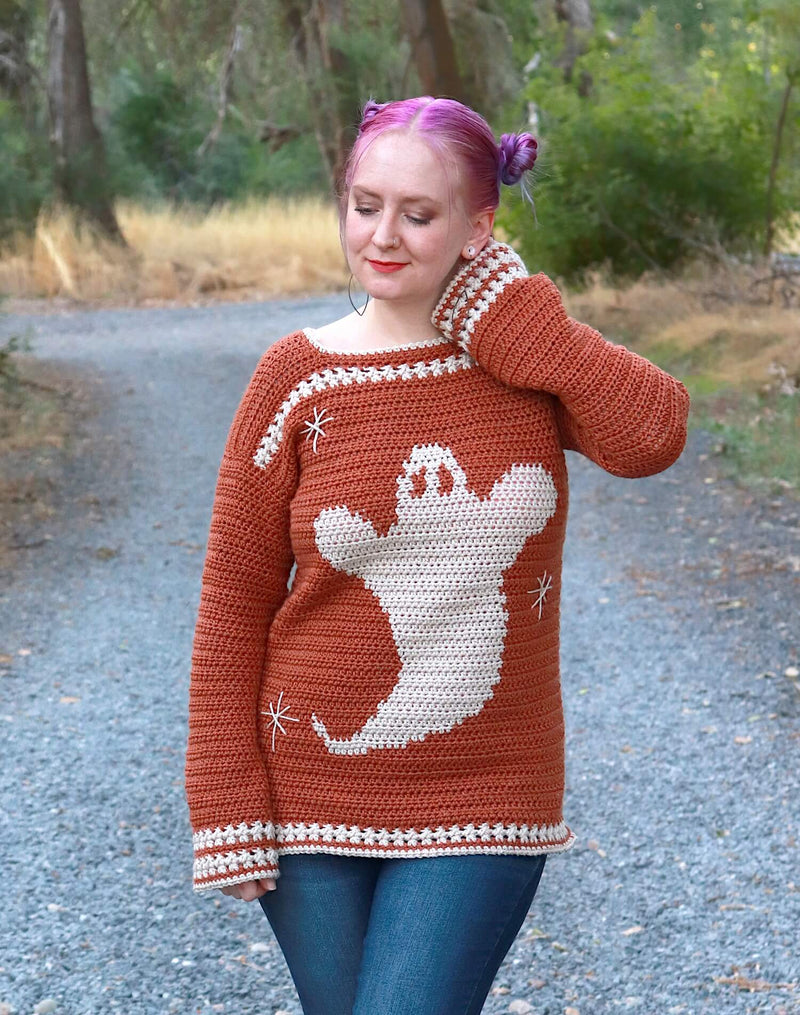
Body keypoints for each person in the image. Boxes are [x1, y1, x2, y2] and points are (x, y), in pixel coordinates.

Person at [184, 95, 691, 1014]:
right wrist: (225, 795)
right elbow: (233, 600)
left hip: (485, 792)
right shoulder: (294, 379)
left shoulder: (525, 366)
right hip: (308, 794)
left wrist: (527, 327)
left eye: (418, 215)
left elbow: (653, 434)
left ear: (478, 227)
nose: (382, 236)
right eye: (364, 205)